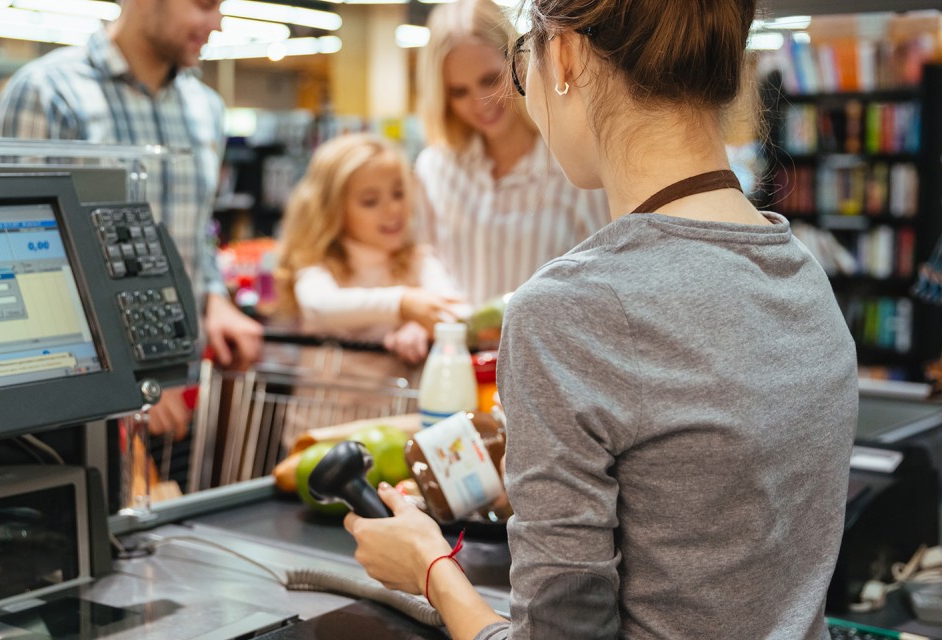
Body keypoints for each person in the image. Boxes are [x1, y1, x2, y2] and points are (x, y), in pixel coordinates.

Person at [345, 0, 858, 638]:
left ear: (562, 55)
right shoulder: (805, 276)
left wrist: (428, 566)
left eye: (517, 61)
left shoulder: (565, 313)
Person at [0, 0, 263, 439]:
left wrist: (215, 298)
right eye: (205, 4)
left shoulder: (204, 107)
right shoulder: (50, 92)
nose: (217, 23)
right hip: (78, 403)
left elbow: (193, 232)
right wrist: (129, 381)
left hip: (181, 390)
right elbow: (19, 258)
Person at [413, 0, 610, 307]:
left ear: (520, 63)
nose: (480, 103)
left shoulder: (575, 165)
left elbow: (606, 272)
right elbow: (421, 257)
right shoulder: (434, 169)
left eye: (490, 79)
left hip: (548, 351)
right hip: (457, 351)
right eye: (458, 91)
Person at [275, 133, 463, 367]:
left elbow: (458, 311)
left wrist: (420, 326)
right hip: (322, 402)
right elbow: (319, 306)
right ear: (333, 210)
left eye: (398, 193)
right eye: (370, 201)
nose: (393, 209)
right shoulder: (317, 262)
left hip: (398, 402)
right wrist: (402, 304)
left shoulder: (418, 260)